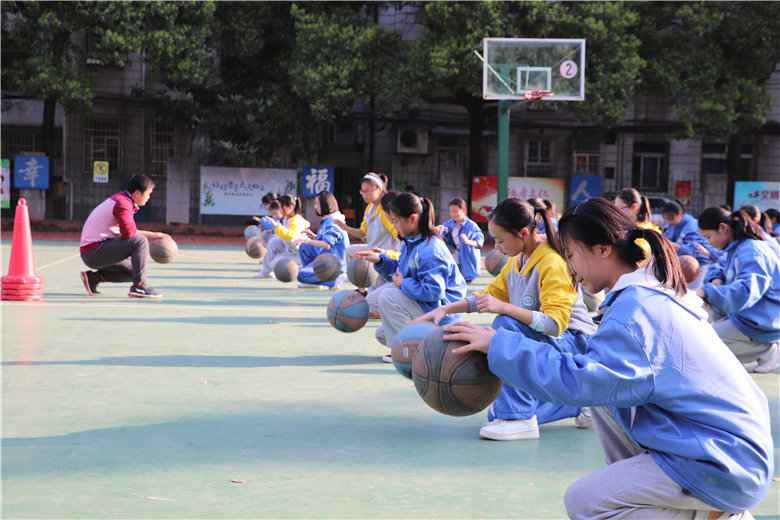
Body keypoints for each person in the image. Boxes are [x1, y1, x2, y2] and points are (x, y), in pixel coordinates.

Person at [444, 198, 773, 519]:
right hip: (722, 448)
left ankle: (714, 513)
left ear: (603, 249)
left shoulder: (636, 310)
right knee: (605, 402)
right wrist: (498, 342)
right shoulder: (644, 296)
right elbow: (589, 365)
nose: (570, 268)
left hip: (720, 461)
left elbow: (581, 381)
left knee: (585, 502)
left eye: (572, 255)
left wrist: (500, 346)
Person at [417, 198, 596, 440]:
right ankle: (582, 403)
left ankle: (519, 417)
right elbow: (488, 296)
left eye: (500, 240)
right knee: (495, 409)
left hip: (576, 344)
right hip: (552, 342)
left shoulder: (551, 262)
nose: (497, 246)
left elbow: (555, 325)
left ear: (523, 233)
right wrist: (445, 310)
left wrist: (504, 308)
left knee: (504, 326)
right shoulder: (517, 260)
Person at [354, 192, 466, 360]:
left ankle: (407, 353)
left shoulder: (430, 250)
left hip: (442, 313)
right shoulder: (412, 242)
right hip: (428, 306)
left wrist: (403, 283)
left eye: (396, 221)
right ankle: (428, 343)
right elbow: (400, 272)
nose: (394, 225)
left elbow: (433, 291)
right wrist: (380, 260)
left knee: (388, 296)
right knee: (382, 333)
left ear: (412, 219)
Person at [697, 207, 780, 373]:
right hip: (746, 315)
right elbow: (719, 265)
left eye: (708, 237)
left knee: (701, 349)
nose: (709, 242)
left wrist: (707, 292)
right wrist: (716, 279)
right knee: (700, 335)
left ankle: (767, 349)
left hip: (761, 321)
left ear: (723, 228)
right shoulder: (736, 247)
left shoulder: (753, 250)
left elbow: (745, 291)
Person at [79, 175, 165, 298]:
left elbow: (125, 231)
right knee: (140, 241)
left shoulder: (122, 200)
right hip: (94, 251)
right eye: (148, 194)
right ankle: (139, 287)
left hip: (95, 250)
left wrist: (155, 235)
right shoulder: (122, 203)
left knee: (134, 270)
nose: (149, 197)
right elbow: (129, 233)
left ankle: (93, 278)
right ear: (137, 193)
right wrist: (152, 236)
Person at [660, 201, 721, 287]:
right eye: (666, 218)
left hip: (699, 264)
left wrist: (675, 246)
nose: (669, 221)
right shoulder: (673, 224)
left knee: (693, 293)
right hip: (683, 263)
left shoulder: (691, 226)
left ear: (680, 214)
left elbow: (695, 250)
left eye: (671, 218)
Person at [296, 192, 349, 289]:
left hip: (334, 264)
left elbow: (327, 245)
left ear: (326, 204)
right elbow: (329, 241)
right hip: (327, 259)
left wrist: (306, 240)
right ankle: (316, 274)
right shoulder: (329, 219)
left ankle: (333, 279)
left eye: (317, 204)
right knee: (305, 248)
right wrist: (314, 237)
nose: (315, 207)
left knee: (302, 276)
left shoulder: (333, 222)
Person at [339, 173, 400, 257]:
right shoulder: (370, 207)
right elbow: (362, 233)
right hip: (373, 249)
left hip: (384, 253)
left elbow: (399, 236)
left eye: (367, 191)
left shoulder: (385, 210)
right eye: (362, 191)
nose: (364, 194)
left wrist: (392, 254)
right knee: (348, 250)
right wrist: (344, 227)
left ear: (379, 189)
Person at [256, 195, 310, 278]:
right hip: (290, 249)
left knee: (275, 263)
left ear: (290, 207)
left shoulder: (296, 220)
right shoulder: (287, 218)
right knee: (273, 242)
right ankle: (265, 272)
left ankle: (302, 269)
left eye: (281, 207)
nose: (280, 210)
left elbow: (291, 236)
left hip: (299, 254)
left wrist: (276, 226)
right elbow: (282, 233)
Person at [437, 198, 484, 284]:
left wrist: (468, 241)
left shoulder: (471, 226)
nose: (453, 214)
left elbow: (479, 243)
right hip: (454, 258)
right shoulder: (448, 224)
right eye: (451, 211)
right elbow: (441, 236)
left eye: (455, 211)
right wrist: (438, 233)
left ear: (464, 210)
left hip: (467, 262)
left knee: (465, 287)